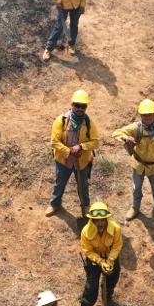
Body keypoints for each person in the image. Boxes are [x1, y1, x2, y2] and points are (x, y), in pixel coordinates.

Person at [112, 99, 154, 221]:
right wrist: (126, 138)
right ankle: (135, 208)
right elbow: (116, 133)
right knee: (136, 188)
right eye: (144, 115)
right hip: (138, 165)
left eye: (150, 114)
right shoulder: (136, 128)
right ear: (140, 115)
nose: (147, 117)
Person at [47, 89, 99, 218]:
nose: (80, 109)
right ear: (72, 104)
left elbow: (95, 142)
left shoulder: (89, 123)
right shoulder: (61, 120)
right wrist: (69, 151)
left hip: (82, 162)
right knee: (60, 183)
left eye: (83, 106)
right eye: (77, 105)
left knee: (83, 186)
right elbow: (54, 142)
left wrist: (81, 146)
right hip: (63, 160)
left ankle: (85, 206)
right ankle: (55, 204)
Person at [79, 201, 123, 306]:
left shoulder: (116, 229)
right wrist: (100, 261)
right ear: (92, 220)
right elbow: (87, 251)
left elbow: (117, 246)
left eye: (102, 220)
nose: (100, 223)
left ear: (107, 219)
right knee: (92, 284)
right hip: (94, 259)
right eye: (97, 220)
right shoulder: (85, 232)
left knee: (113, 277)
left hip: (111, 257)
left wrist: (111, 260)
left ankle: (107, 298)